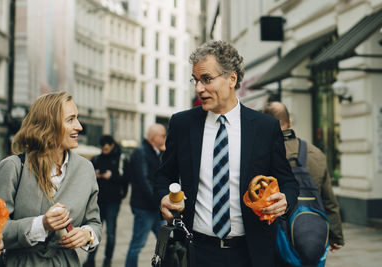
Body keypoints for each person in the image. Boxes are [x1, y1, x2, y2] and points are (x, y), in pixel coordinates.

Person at [154, 40, 299, 267]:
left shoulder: (265, 127)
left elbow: (288, 181)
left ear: (232, 79)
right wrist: (164, 196)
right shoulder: (182, 125)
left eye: (207, 79)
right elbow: (164, 176)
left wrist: (285, 201)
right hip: (195, 251)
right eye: (196, 80)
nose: (198, 89)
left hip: (252, 254)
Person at [0, 92, 102, 267]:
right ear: (48, 125)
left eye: (77, 118)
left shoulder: (85, 169)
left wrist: (87, 234)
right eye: (70, 119)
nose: (79, 126)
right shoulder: (12, 167)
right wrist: (41, 224)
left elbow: (94, 222)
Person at [263, 101, 344, 252]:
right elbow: (329, 200)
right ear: (290, 122)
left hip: (275, 237)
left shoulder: (262, 153)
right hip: (312, 234)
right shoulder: (315, 153)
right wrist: (336, 236)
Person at [125, 124, 166, 267]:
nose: (164, 138)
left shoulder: (154, 152)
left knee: (164, 243)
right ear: (154, 137)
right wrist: (159, 201)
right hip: (144, 207)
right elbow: (144, 181)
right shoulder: (141, 152)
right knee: (138, 244)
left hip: (154, 207)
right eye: (163, 135)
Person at [83, 135, 127, 267]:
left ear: (112, 145)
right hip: (98, 201)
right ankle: (90, 260)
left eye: (107, 147)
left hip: (113, 201)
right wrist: (95, 175)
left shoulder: (121, 158)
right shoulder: (97, 159)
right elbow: (88, 179)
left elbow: (126, 179)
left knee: (111, 233)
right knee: (94, 230)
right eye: (103, 147)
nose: (104, 149)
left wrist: (111, 176)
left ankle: (107, 261)